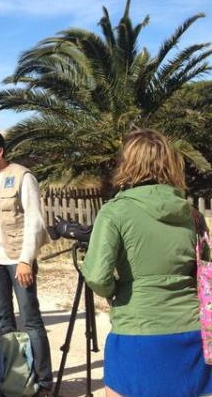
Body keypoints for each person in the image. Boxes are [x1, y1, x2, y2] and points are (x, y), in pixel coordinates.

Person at [82, 129, 212, 397]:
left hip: (137, 330)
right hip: (191, 332)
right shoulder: (193, 215)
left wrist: (116, 291)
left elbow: (96, 275)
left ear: (128, 164)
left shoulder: (115, 211)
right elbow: (206, 271)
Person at [0, 130, 52, 396]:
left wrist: (25, 260)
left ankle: (42, 383)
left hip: (18, 260)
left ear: (0, 151)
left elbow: (34, 220)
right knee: (2, 321)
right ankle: (11, 379)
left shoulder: (23, 176)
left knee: (31, 320)